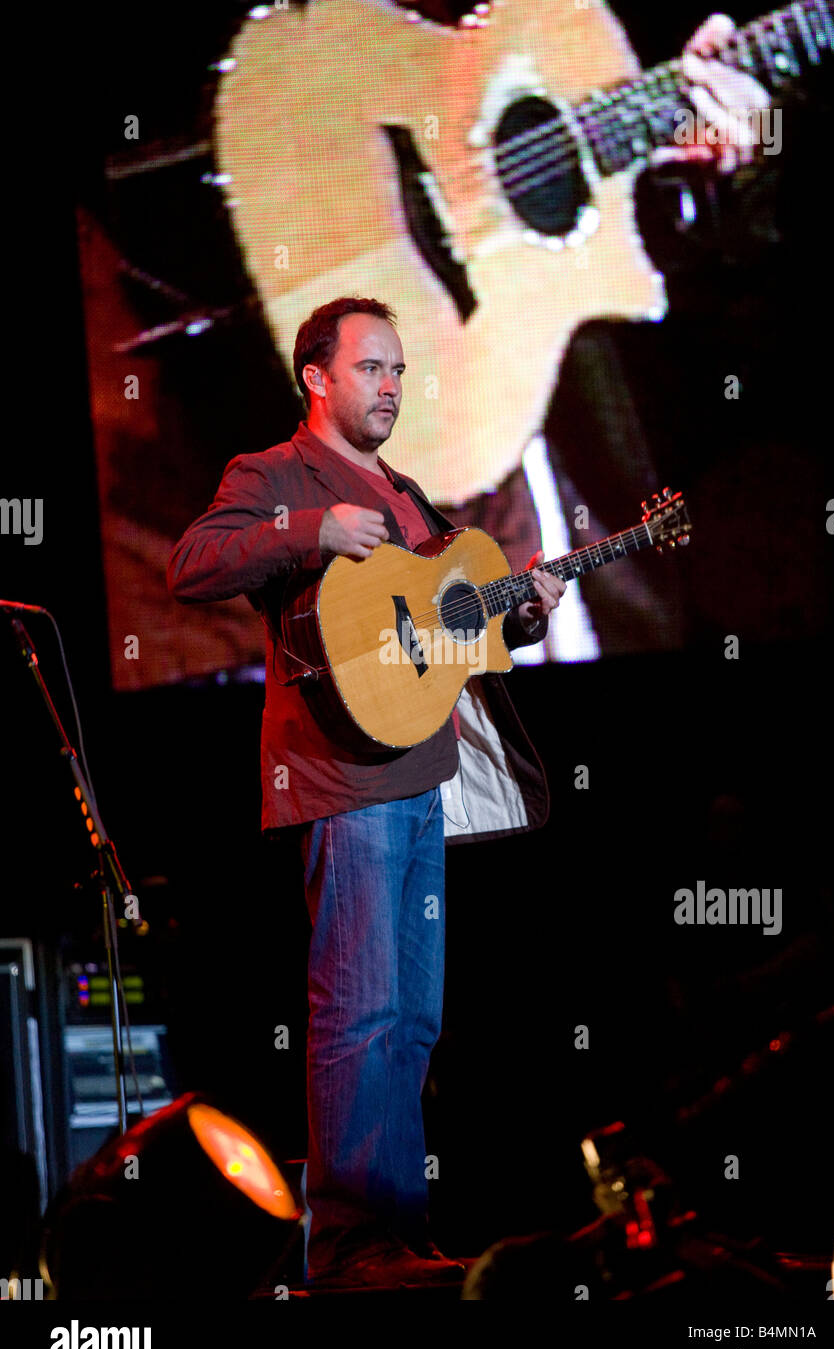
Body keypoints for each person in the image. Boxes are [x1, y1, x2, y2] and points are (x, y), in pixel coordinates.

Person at [166, 298, 566, 1288]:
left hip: (419, 772)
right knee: (358, 1007)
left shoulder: (406, 494)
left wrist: (517, 615)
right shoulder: (275, 475)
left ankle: (398, 1234)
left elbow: (446, 629)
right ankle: (346, 1248)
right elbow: (191, 565)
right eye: (371, 368)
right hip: (342, 775)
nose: (390, 386)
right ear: (316, 376)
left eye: (397, 371)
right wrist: (307, 529)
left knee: (415, 1016)